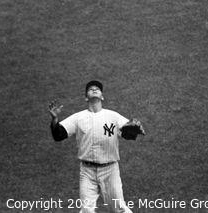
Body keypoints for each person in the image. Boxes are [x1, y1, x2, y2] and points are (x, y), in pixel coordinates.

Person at [48, 80, 145, 212]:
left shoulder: (113, 116)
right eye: (90, 89)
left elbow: (127, 132)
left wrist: (134, 128)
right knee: (86, 210)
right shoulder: (78, 117)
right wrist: (54, 120)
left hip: (110, 170)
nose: (94, 90)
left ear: (102, 96)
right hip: (87, 172)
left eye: (97, 89)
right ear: (86, 97)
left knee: (119, 209)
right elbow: (58, 135)